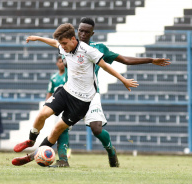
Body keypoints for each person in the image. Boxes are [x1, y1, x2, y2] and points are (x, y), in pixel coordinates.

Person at [12, 23, 139, 166]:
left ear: (73, 39)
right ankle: (31, 140)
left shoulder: (88, 51)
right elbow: (55, 42)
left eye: (65, 43)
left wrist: (123, 80)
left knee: (57, 130)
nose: (62, 47)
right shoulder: (63, 45)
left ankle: (31, 157)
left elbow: (105, 66)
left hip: (82, 101)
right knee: (42, 114)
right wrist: (38, 38)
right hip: (66, 92)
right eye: (61, 44)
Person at [50, 17, 171, 167]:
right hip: (71, 93)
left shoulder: (98, 48)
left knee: (96, 129)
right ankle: (63, 160)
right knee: (62, 126)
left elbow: (125, 60)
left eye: (86, 32)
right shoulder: (67, 45)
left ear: (92, 33)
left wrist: (151, 60)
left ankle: (110, 150)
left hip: (91, 94)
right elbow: (54, 42)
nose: (83, 34)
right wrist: (36, 38)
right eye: (80, 30)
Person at [46, 56, 71, 167]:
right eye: (59, 62)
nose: (61, 64)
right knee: (60, 129)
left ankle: (65, 153)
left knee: (62, 129)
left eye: (63, 61)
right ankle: (63, 156)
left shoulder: (69, 74)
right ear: (56, 63)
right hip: (57, 106)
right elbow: (50, 92)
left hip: (69, 105)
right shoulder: (54, 78)